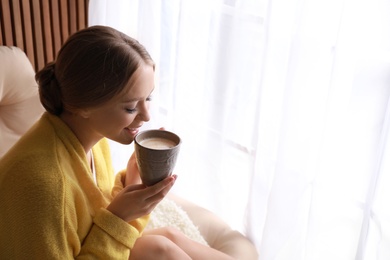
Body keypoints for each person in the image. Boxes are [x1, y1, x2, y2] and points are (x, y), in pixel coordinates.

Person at [0, 25, 234, 259]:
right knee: (162, 250)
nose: (146, 116)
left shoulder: (92, 134)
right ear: (84, 106)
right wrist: (120, 217)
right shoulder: (44, 186)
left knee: (168, 238)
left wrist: (130, 185)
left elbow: (91, 224)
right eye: (131, 107)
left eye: (148, 97)